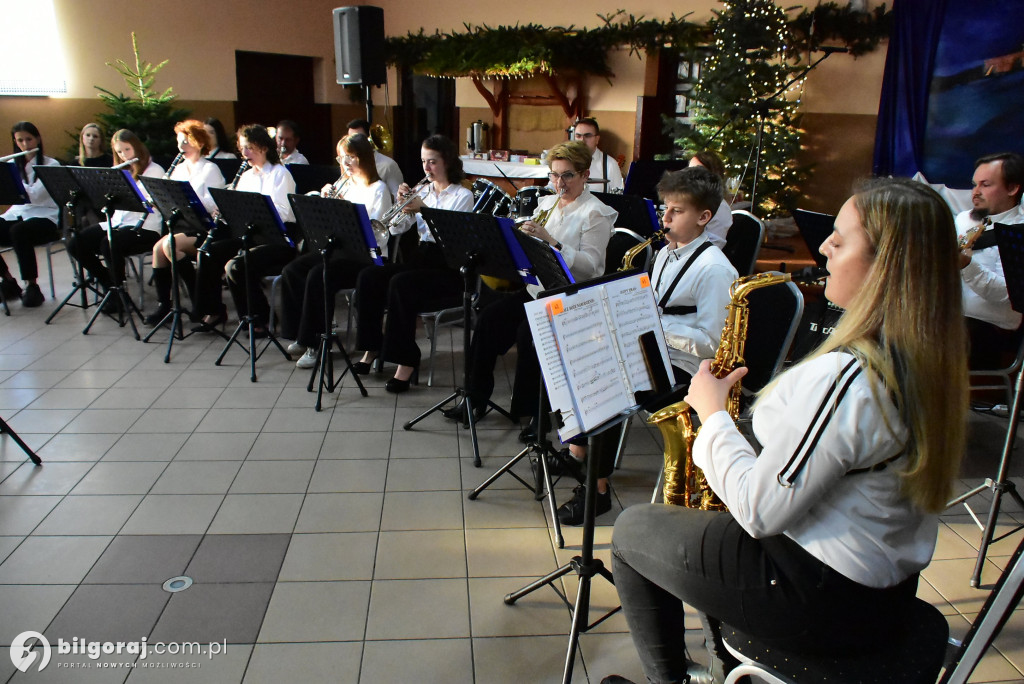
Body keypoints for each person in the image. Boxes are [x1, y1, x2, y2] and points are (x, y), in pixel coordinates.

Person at [607, 178, 968, 684]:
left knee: (631, 532)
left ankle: (671, 679)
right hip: (883, 587)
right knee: (704, 531)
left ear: (884, 266)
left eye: (839, 241)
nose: (823, 248)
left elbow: (758, 511)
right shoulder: (927, 356)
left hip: (820, 598)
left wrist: (713, 415)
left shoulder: (849, 378)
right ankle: (720, 662)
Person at [550, 166, 737, 526]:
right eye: (664, 207)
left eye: (676, 211)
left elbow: (713, 344)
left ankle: (597, 488)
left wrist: (652, 326)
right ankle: (578, 449)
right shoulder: (668, 252)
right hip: (655, 350)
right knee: (583, 357)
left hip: (688, 368)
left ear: (704, 217)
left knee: (612, 381)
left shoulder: (715, 269)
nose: (664, 217)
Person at [454, 140, 616, 421]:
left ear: (585, 176)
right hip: (537, 291)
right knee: (489, 320)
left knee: (528, 336)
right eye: (554, 174)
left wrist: (551, 241)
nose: (559, 183)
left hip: (571, 297)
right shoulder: (548, 202)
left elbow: (591, 267)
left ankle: (532, 415)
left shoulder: (595, 212)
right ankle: (475, 398)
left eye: (567, 175)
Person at [352, 134, 473, 393]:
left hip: (448, 266)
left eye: (433, 162)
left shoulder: (462, 195)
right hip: (422, 256)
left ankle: (405, 362)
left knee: (400, 284)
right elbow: (397, 230)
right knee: (369, 277)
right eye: (423, 162)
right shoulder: (423, 190)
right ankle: (371, 347)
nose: (427, 168)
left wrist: (423, 210)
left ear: (447, 162)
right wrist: (401, 206)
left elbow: (451, 237)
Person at [280, 134, 392, 368]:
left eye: (350, 157)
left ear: (364, 158)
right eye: (341, 158)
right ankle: (299, 333)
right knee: (293, 270)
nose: (345, 163)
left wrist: (343, 208)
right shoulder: (345, 185)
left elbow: (373, 230)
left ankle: (317, 344)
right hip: (340, 251)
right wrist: (325, 205)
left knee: (318, 276)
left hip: (366, 257)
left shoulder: (378, 189)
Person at [142, 120, 226, 326]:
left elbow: (214, 202)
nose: (181, 147)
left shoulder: (210, 169)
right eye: (180, 142)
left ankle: (200, 301)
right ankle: (165, 305)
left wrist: (189, 199)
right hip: (182, 224)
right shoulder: (178, 169)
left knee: (170, 245)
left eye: (186, 142)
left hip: (202, 226)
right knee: (157, 250)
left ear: (199, 142)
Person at [66, 129, 164, 301]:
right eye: (119, 151)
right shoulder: (119, 171)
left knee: (108, 243)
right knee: (76, 243)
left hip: (145, 227)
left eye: (128, 149)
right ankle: (109, 283)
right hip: (117, 223)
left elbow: (153, 203)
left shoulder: (154, 170)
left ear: (137, 147)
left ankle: (118, 293)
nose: (124, 155)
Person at [956, 152, 1024, 369]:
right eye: (974, 184)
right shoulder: (963, 219)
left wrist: (967, 266)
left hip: (992, 328)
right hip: (951, 316)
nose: (975, 192)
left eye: (985, 185)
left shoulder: (1019, 231)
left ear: (1012, 188)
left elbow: (1007, 294)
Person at [0, 122, 62, 307]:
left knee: (20, 231)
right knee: (13, 228)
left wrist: (13, 177)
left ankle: (32, 285)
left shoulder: (51, 164)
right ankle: (8, 281)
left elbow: (34, 195)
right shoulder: (12, 164)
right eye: (20, 140)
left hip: (46, 217)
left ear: (38, 139)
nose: (25, 144)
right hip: (18, 213)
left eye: (29, 139)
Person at [346, 118, 403, 199]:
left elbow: (399, 199)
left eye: (358, 138)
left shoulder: (388, 165)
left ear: (368, 139)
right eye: (350, 139)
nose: (353, 144)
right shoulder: (348, 164)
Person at [688, 150, 733, 248]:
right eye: (689, 171)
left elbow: (713, 246)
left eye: (697, 171)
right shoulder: (693, 201)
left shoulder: (720, 207)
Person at [572, 117, 623, 193]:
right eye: (578, 136)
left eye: (587, 136)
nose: (582, 140)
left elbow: (619, 198)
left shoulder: (610, 164)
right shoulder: (567, 161)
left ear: (597, 139)